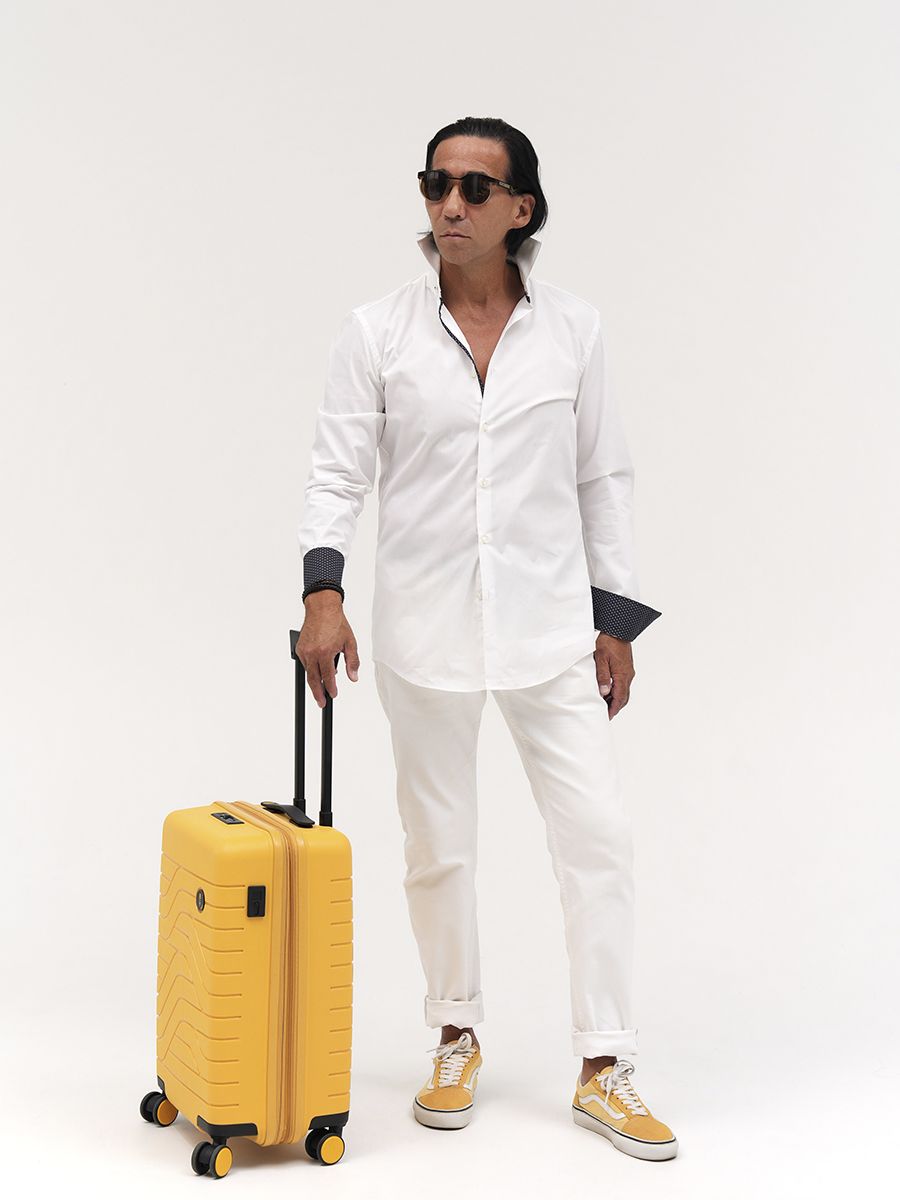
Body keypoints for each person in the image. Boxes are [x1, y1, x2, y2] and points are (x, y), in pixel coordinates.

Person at [294, 116, 676, 1161]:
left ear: (522, 208)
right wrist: (323, 593)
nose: (450, 205)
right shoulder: (376, 332)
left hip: (551, 628)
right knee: (439, 846)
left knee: (598, 837)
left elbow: (603, 476)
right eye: (435, 184)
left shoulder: (574, 331)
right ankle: (454, 1033)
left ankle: (604, 1064)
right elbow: (336, 473)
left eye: (473, 187)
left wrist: (615, 619)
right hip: (422, 628)